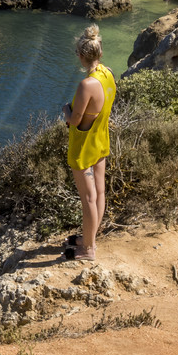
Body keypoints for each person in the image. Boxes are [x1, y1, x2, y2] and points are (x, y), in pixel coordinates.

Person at [63, 24, 116, 262]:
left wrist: (66, 110)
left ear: (82, 56)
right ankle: (89, 238)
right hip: (101, 139)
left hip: (83, 147)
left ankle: (88, 249)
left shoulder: (87, 85)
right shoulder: (108, 74)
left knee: (88, 199)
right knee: (100, 193)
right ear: (100, 53)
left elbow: (74, 120)